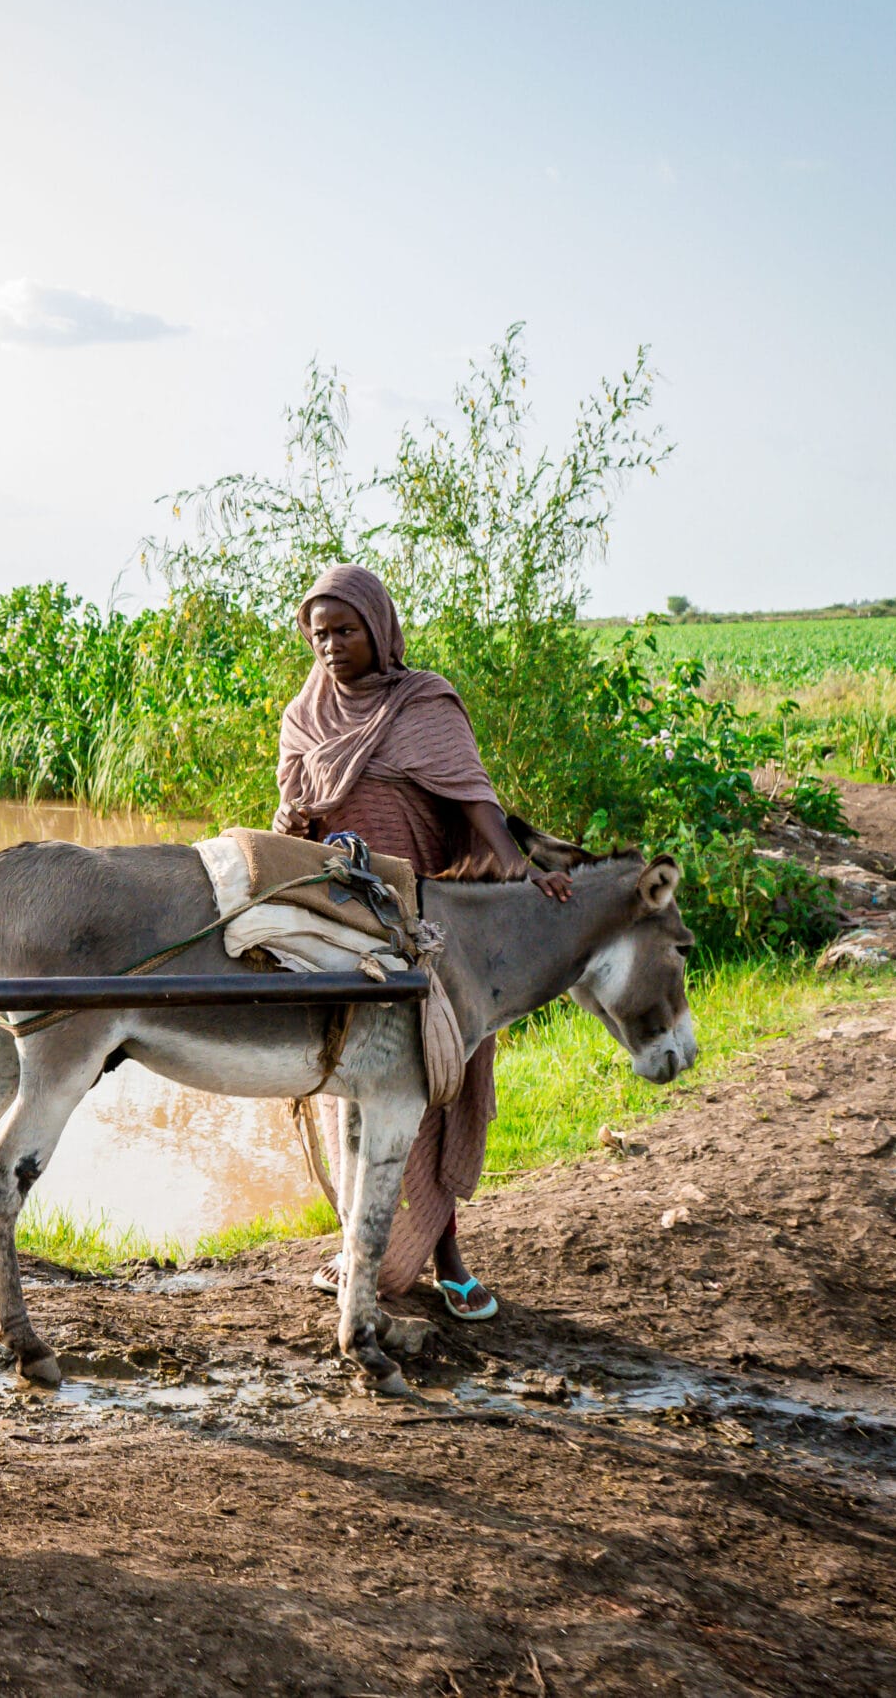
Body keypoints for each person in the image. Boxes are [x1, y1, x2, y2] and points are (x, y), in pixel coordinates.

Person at [272, 562, 572, 1321]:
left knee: (433, 1084)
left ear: (380, 627)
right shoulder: (305, 714)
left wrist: (527, 875)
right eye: (319, 634)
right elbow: (291, 818)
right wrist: (295, 835)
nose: (332, 646)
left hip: (423, 928)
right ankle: (358, 1247)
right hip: (340, 926)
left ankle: (448, 1256)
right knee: (350, 1088)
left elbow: (479, 816)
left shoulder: (424, 703)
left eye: (345, 630)